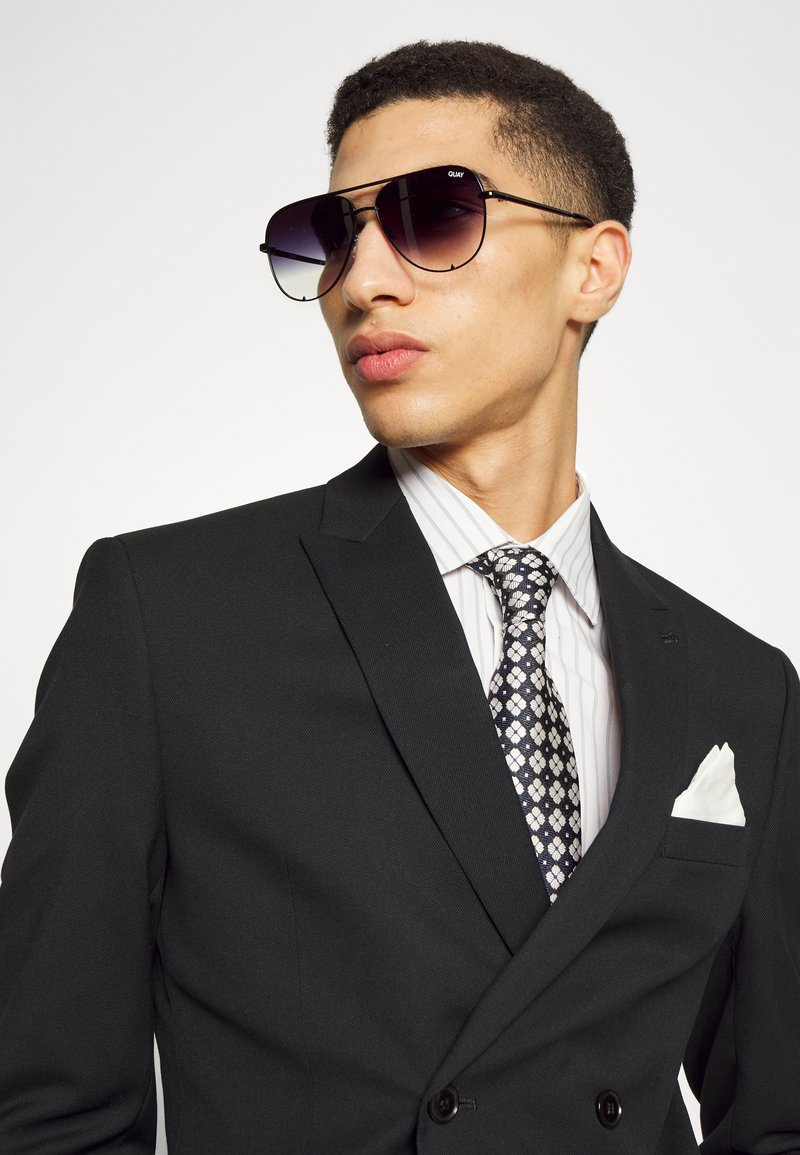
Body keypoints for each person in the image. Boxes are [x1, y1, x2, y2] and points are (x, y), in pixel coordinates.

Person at [1, 37, 798, 1155]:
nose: (363, 279)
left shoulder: (740, 686)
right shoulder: (166, 619)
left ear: (594, 268)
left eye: (434, 216)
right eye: (335, 234)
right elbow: (48, 1114)